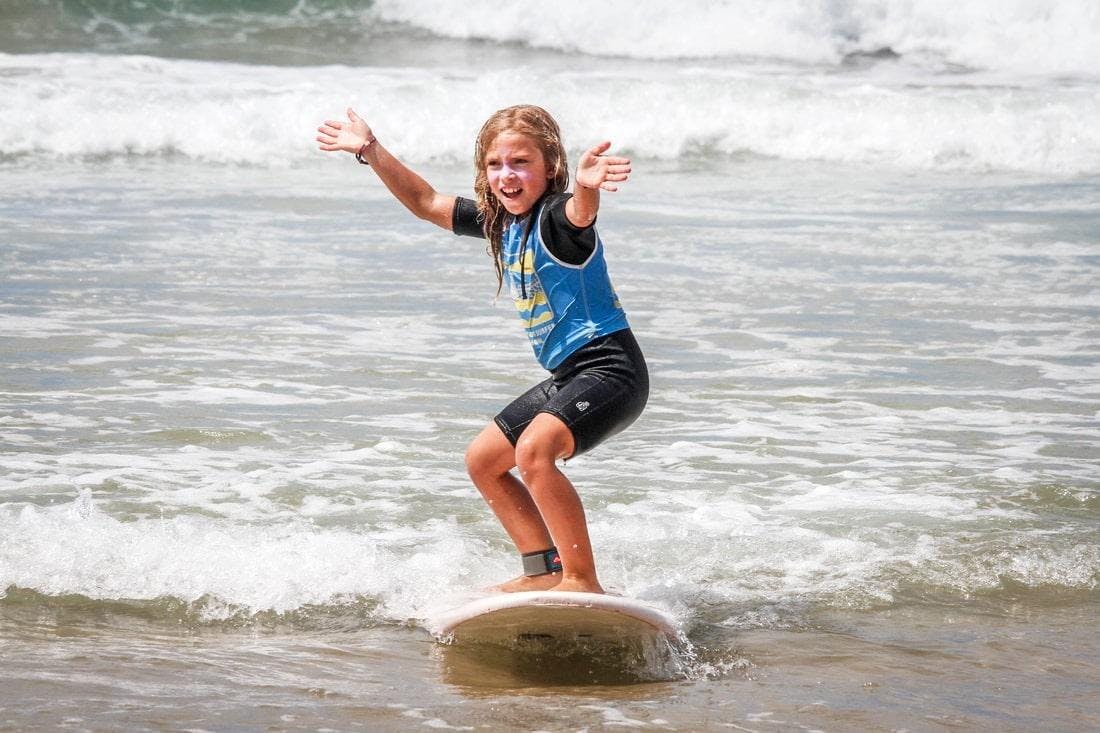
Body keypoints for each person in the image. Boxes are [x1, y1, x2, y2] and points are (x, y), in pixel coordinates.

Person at [316, 104, 648, 594]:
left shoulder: (556, 220)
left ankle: (581, 580)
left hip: (611, 371)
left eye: (521, 163)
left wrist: (586, 187)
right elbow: (426, 201)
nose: (506, 175)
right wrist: (370, 149)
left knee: (534, 452)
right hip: (569, 376)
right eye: (496, 164)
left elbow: (579, 215)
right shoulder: (501, 223)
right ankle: (544, 570)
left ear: (550, 167)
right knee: (484, 460)